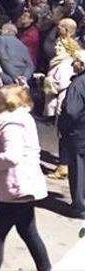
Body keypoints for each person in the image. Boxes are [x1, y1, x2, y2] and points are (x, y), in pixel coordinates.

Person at [0, 85, 51, 271]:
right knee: (28, 232)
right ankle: (45, 267)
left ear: (8, 103)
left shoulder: (11, 124)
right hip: (22, 186)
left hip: (16, 187)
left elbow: (11, 156)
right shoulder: (20, 119)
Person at [45, 37, 82, 180]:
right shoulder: (58, 61)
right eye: (56, 44)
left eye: (60, 45)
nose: (56, 47)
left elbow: (63, 83)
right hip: (59, 101)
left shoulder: (65, 64)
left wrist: (47, 81)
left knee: (63, 135)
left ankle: (63, 166)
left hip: (62, 101)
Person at [59, 49, 85, 219]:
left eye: (75, 61)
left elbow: (71, 110)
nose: (72, 64)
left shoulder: (79, 83)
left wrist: (64, 128)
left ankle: (80, 206)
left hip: (79, 133)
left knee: (78, 169)